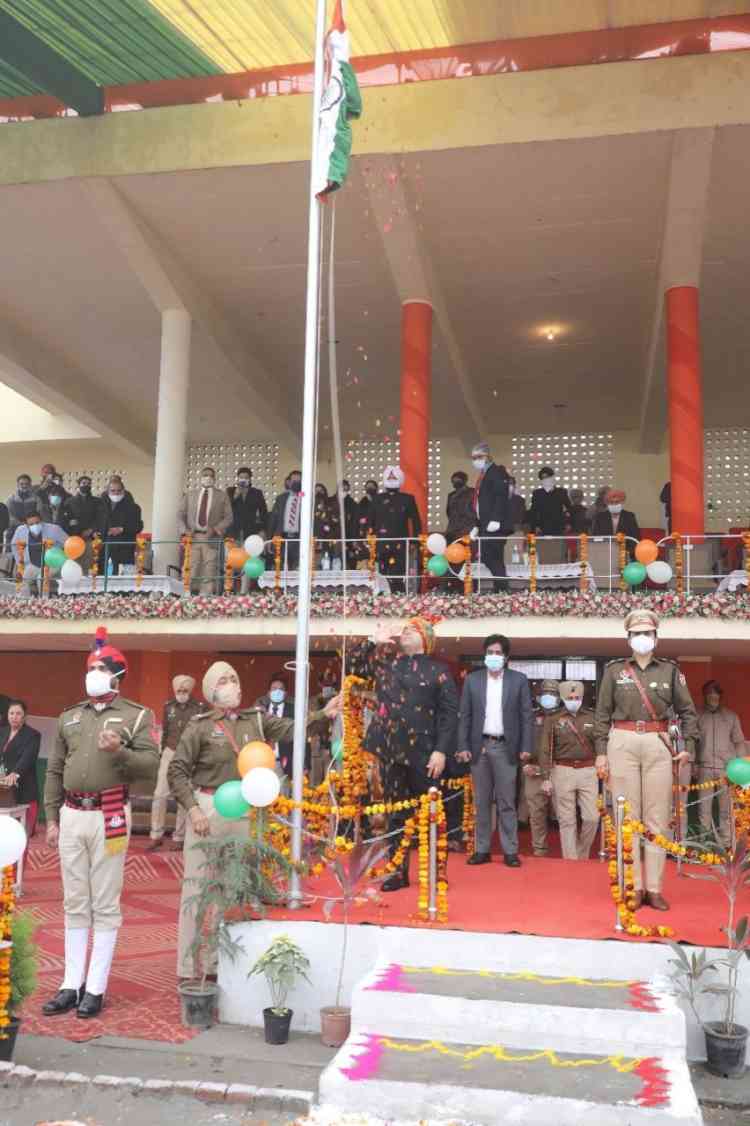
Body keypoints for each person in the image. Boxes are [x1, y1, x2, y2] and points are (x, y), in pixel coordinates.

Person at [169, 660, 340, 980]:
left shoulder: (256, 720)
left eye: (234, 678)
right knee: (198, 889)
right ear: (211, 692)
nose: (233, 684)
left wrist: (322, 714)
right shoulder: (200, 726)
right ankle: (188, 967)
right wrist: (192, 809)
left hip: (247, 809)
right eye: (224, 680)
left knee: (235, 888)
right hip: (208, 808)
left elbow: (292, 728)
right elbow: (176, 771)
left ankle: (221, 967)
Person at [42, 627, 158, 1018]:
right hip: (72, 815)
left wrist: (121, 750)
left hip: (110, 814)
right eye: (90, 666)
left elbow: (151, 765)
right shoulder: (68, 716)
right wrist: (51, 817)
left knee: (105, 901)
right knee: (74, 900)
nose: (92, 672)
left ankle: (96, 987)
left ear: (117, 675)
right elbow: (55, 768)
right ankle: (70, 984)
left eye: (100, 667)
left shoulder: (138, 716)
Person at [594, 609, 698, 911]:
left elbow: (689, 712)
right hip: (622, 742)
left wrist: (687, 745)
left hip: (659, 742)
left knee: (656, 819)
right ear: (628, 638)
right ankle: (634, 887)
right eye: (637, 633)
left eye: (647, 633)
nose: (642, 638)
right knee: (628, 818)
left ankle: (654, 888)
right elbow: (601, 715)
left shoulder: (669, 671)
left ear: (656, 637)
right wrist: (601, 752)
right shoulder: (614, 671)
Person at [362, 617, 458, 891]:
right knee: (395, 816)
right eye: (402, 630)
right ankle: (396, 871)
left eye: (411, 629)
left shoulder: (439, 670)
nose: (403, 632)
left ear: (425, 638)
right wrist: (374, 640)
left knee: (431, 814)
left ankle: (436, 871)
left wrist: (441, 751)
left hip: (425, 754)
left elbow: (449, 714)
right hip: (391, 751)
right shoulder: (387, 664)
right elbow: (356, 666)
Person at [457, 633, 534, 868]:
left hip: (505, 747)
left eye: (498, 653)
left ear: (506, 657)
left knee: (506, 801)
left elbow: (526, 717)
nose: (493, 656)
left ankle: (510, 850)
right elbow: (465, 716)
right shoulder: (473, 680)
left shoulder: (518, 680)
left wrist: (526, 747)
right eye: (489, 653)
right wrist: (463, 746)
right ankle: (482, 849)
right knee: (481, 802)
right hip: (479, 746)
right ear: (484, 655)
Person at [541, 681, 599, 861]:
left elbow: (601, 744)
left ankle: (581, 854)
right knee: (567, 820)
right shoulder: (553, 719)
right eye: (570, 698)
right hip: (562, 771)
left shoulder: (593, 717)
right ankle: (571, 860)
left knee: (592, 817)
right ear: (563, 699)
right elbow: (545, 749)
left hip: (588, 771)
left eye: (578, 698)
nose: (575, 701)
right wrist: (546, 777)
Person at [148, 675, 202, 852]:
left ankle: (179, 837)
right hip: (169, 752)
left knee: (183, 797)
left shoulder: (199, 708)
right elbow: (165, 730)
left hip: (189, 755)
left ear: (190, 691)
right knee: (159, 794)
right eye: (179, 691)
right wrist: (162, 752)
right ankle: (156, 835)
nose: (181, 694)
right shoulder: (168, 706)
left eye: (185, 691)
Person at [696, 681, 747, 847]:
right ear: (705, 696)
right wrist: (693, 764)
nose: (713, 697)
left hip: (726, 770)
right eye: (709, 694)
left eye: (716, 694)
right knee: (704, 809)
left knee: (726, 810)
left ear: (720, 696)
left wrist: (742, 769)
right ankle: (704, 844)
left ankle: (726, 844)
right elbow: (692, 742)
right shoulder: (697, 716)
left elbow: (739, 742)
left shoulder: (731, 717)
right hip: (704, 768)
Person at [521, 679, 563, 857]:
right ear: (538, 697)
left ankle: (570, 851)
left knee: (564, 814)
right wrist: (525, 764)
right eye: (545, 693)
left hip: (559, 769)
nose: (548, 697)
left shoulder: (565, 717)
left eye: (553, 694)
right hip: (535, 769)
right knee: (536, 813)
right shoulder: (530, 717)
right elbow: (522, 741)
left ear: (559, 698)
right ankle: (539, 850)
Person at [367, 466, 422, 594]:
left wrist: (415, 541)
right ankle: (383, 596)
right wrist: (368, 540)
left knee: (399, 572)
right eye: (390, 477)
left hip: (401, 542)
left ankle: (399, 596)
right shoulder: (377, 499)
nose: (392, 479)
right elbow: (370, 521)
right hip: (381, 542)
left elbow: (416, 521)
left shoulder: (408, 499)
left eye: (394, 477)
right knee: (381, 572)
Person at [177, 467, 232, 594]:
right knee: (191, 566)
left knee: (210, 568)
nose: (208, 477)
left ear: (214, 478)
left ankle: (205, 597)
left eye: (211, 475)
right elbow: (180, 514)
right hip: (194, 537)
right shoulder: (190, 495)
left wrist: (216, 529)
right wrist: (185, 530)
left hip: (211, 537)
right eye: (205, 475)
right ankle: (186, 593)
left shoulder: (222, 496)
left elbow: (229, 517)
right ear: (201, 477)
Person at [470, 441, 511, 590]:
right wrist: (477, 524)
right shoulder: (483, 475)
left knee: (491, 556)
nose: (475, 460)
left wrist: (496, 519)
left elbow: (501, 496)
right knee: (492, 558)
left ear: (487, 456)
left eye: (478, 457)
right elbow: (481, 503)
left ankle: (502, 588)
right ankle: (500, 588)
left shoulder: (497, 471)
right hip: (485, 525)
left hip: (495, 525)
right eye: (473, 457)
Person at [0, 700, 41, 836]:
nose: (14, 716)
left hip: (24, 790)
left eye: (18, 713)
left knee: (23, 835)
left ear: (24, 716)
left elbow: (27, 758)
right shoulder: (2, 731)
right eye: (11, 713)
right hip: (3, 790)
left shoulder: (33, 735)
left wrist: (15, 773)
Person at [11, 512, 66, 595]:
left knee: (41, 578)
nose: (35, 526)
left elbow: (68, 543)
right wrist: (20, 562)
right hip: (32, 564)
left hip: (51, 563)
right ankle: (24, 602)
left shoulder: (54, 529)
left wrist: (61, 556)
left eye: (37, 523)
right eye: (31, 524)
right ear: (26, 526)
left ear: (42, 521)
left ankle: (44, 603)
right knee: (21, 579)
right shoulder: (20, 530)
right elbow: (14, 545)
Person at [98, 476, 143, 576]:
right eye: (113, 491)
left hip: (125, 549)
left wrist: (122, 529)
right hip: (105, 548)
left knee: (123, 583)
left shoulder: (133, 507)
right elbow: (97, 524)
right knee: (103, 580)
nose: (116, 493)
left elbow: (138, 526)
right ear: (107, 491)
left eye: (119, 491)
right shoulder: (100, 506)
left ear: (123, 491)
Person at [254, 673, 295, 780]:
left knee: (285, 795)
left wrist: (306, 765)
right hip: (262, 763)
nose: (277, 691)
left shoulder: (294, 710)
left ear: (285, 693)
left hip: (285, 764)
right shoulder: (260, 711)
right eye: (274, 688)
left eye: (281, 689)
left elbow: (302, 735)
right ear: (268, 693)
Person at [528, 467, 572, 562]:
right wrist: (535, 526)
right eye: (543, 478)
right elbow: (533, 511)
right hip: (542, 527)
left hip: (558, 527)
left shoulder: (561, 492)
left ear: (552, 477)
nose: (546, 480)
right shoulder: (537, 493)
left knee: (558, 553)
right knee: (544, 553)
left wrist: (568, 523)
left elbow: (569, 508)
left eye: (548, 477)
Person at [61, 476, 103, 574]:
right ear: (79, 485)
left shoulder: (97, 501)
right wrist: (76, 530)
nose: (86, 485)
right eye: (84, 483)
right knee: (74, 563)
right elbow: (67, 520)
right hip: (74, 538)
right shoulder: (69, 501)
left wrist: (91, 530)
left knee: (88, 563)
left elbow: (100, 518)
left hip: (90, 537)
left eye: (88, 483)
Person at [267, 469, 303, 569]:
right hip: (281, 539)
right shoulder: (281, 498)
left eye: (299, 481)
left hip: (299, 539)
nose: (296, 483)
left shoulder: (307, 498)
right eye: (294, 481)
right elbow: (273, 520)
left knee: (298, 570)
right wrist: (270, 539)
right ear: (289, 482)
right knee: (281, 569)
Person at [226, 467, 267, 546]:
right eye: (241, 477)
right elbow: (226, 508)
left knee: (249, 556)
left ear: (250, 479)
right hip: (233, 530)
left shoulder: (257, 493)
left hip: (251, 530)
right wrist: (236, 494)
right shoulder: (230, 491)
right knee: (233, 556)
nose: (243, 480)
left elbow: (263, 512)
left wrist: (263, 530)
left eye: (246, 478)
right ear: (237, 479)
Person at [591, 489, 641, 554]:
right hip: (604, 551)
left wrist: (628, 553)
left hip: (625, 551)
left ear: (622, 502)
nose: (614, 504)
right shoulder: (600, 517)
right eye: (611, 502)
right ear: (607, 503)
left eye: (617, 502)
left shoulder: (630, 516)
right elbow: (596, 537)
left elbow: (635, 537)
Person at [445, 471, 475, 544]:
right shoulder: (451, 495)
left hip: (467, 529)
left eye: (458, 480)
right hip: (452, 529)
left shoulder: (472, 492)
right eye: (453, 480)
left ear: (464, 480)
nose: (455, 482)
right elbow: (448, 512)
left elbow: (475, 511)